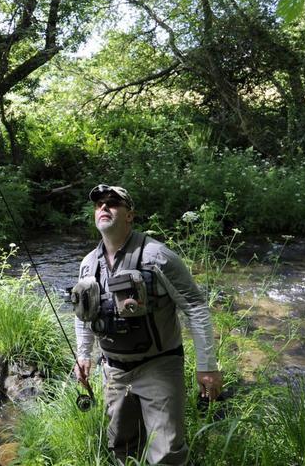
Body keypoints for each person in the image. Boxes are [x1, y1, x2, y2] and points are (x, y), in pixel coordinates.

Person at [71, 184, 222, 465]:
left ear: (129, 215)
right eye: (98, 204)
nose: (103, 208)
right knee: (121, 447)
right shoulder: (88, 264)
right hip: (113, 370)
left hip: (159, 366)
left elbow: (195, 306)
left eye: (112, 203)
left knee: (166, 454)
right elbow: (84, 314)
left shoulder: (158, 256)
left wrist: (207, 365)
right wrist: (83, 355)